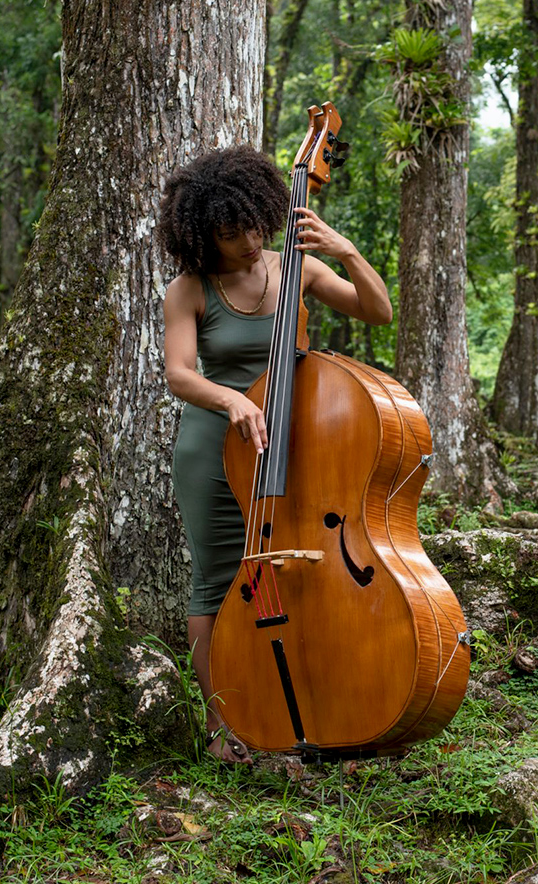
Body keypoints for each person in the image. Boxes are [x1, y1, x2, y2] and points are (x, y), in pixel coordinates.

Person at [159, 145, 392, 763]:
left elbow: (378, 311)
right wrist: (231, 401)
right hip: (215, 448)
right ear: (203, 234)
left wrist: (344, 252)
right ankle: (222, 727)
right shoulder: (189, 289)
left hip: (294, 445)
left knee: (298, 572)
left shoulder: (296, 269)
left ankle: (306, 707)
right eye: (230, 233)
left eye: (254, 226)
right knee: (219, 583)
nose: (246, 241)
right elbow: (179, 374)